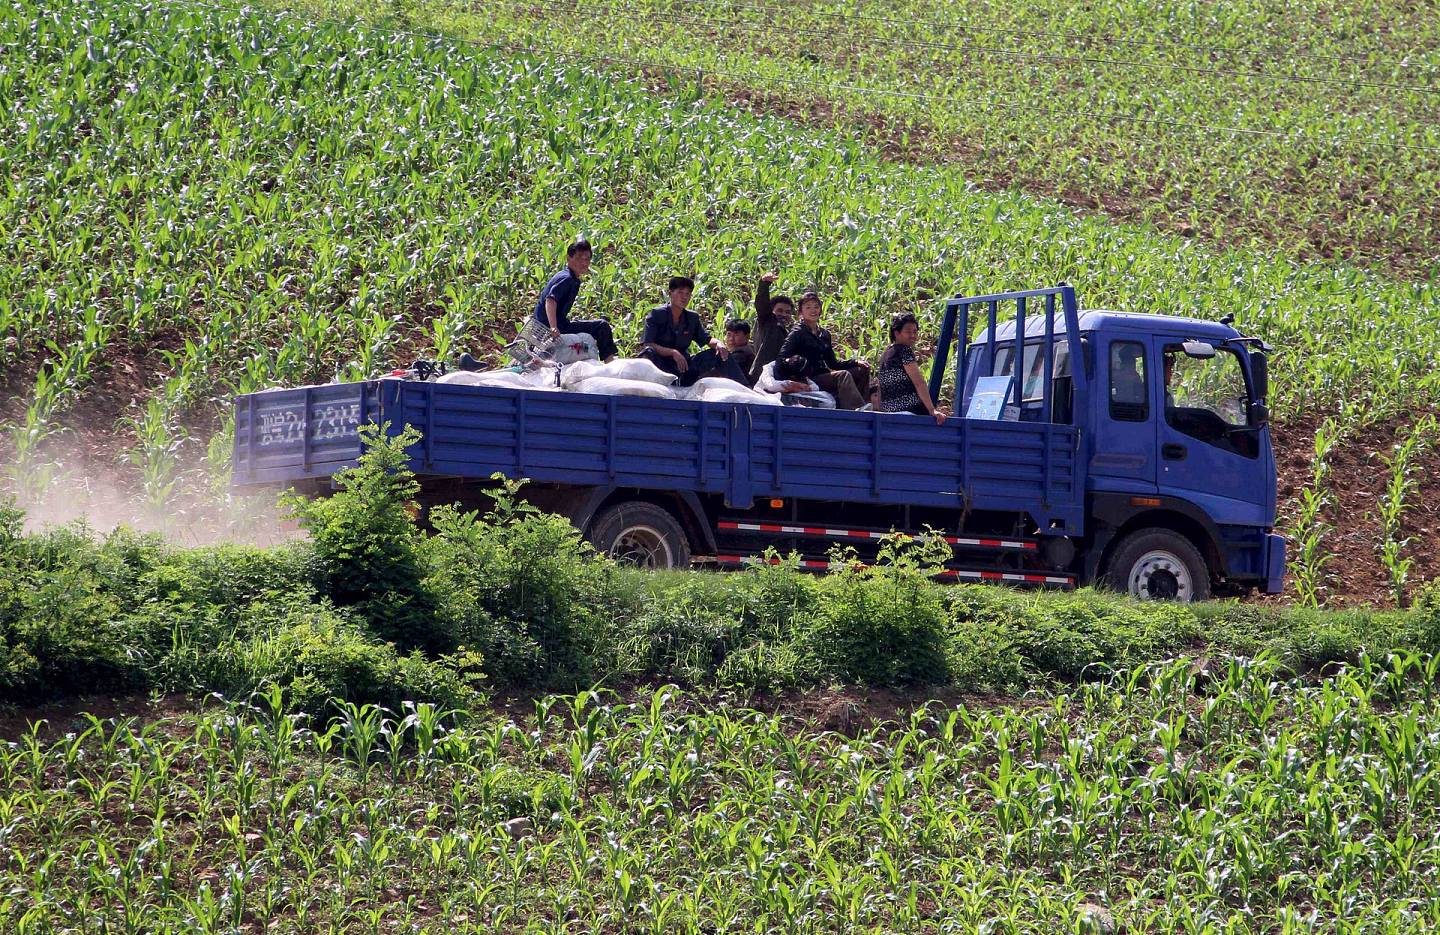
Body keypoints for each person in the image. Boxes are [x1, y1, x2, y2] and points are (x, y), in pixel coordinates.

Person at [638, 276, 748, 387]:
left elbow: (707, 339)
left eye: (688, 294)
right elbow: (648, 343)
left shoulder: (692, 318)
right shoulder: (657, 314)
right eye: (680, 293)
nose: (684, 297)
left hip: (683, 367)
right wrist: (673, 352)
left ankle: (745, 388)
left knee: (719, 352)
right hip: (660, 366)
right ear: (670, 293)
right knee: (648, 353)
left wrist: (718, 344)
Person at [776, 290, 870, 410]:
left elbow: (833, 363)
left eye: (816, 307)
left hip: (822, 375)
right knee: (842, 375)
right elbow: (781, 359)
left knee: (861, 370)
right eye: (808, 307)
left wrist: (855, 362)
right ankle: (856, 409)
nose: (813, 310)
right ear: (801, 312)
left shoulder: (824, 334)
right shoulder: (797, 333)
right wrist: (792, 375)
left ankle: (864, 405)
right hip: (808, 378)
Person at [531, 240, 617, 361]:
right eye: (579, 259)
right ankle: (609, 362)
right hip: (551, 327)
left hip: (560, 324)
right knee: (602, 326)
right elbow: (550, 300)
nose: (583, 263)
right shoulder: (567, 279)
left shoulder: (568, 276)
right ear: (569, 258)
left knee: (596, 328)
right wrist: (553, 327)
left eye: (587, 259)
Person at [875, 313, 946, 425]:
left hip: (888, 414)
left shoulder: (886, 354)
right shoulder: (904, 351)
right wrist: (932, 410)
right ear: (896, 333)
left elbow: (879, 387)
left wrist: (880, 413)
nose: (913, 335)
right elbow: (919, 383)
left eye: (915, 331)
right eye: (908, 332)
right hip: (908, 412)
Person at [749, 272, 794, 383]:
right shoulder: (767, 322)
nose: (784, 314)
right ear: (772, 310)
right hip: (762, 377)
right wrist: (764, 284)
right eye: (780, 310)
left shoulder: (788, 333)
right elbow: (762, 304)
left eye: (788, 312)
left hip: (777, 378)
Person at [724, 319, 755, 385]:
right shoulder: (751, 347)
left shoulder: (740, 355)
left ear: (747, 337)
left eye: (736, 335)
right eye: (729, 334)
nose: (731, 339)